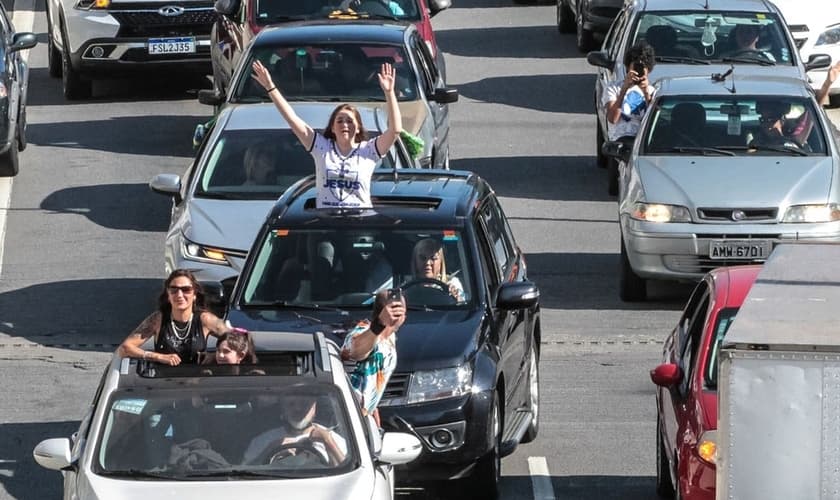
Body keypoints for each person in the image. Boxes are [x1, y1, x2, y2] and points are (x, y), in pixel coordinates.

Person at [251, 58, 402, 209]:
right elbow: (292, 119)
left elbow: (395, 130)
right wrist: (270, 87)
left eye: (350, 121)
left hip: (359, 221)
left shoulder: (368, 150)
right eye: (340, 121)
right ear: (332, 128)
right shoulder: (322, 147)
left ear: (358, 128)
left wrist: (389, 93)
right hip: (326, 220)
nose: (345, 124)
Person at [118, 270, 239, 365]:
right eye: (174, 290)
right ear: (168, 294)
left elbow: (240, 342)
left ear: (195, 294)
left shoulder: (205, 319)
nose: (179, 295)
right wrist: (158, 357)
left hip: (196, 382)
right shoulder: (158, 319)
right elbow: (125, 348)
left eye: (186, 290)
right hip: (163, 381)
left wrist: (215, 356)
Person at [341, 289, 406, 424]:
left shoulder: (390, 337)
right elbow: (355, 351)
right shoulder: (364, 331)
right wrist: (380, 323)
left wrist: (372, 404)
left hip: (364, 416)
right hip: (346, 416)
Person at [241, 392, 347, 466]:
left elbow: (349, 475)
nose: (298, 409)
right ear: (282, 408)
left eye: (304, 404)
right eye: (291, 404)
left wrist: (328, 442)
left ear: (314, 408)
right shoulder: (262, 441)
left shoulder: (331, 438)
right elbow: (245, 475)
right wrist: (270, 450)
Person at [603, 41, 657, 142]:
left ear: (648, 70)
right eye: (636, 67)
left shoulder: (652, 91)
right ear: (628, 67)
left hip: (640, 142)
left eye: (642, 68)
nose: (638, 71)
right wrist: (624, 89)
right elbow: (612, 119)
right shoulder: (613, 88)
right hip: (619, 140)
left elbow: (654, 121)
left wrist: (646, 93)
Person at [409, 238, 465, 302]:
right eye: (422, 258)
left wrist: (456, 298)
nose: (427, 263)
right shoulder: (407, 288)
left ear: (441, 262)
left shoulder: (452, 283)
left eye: (433, 258)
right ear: (415, 261)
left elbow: (462, 304)